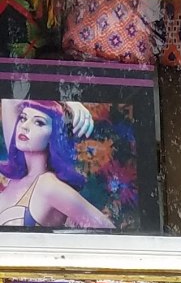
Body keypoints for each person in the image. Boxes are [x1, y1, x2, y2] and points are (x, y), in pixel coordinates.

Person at [0, 99, 114, 231]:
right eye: (23, 118)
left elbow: (107, 230)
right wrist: (67, 100)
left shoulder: (48, 185)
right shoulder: (16, 175)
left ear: (54, 135)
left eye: (38, 122)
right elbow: (10, 101)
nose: (24, 126)